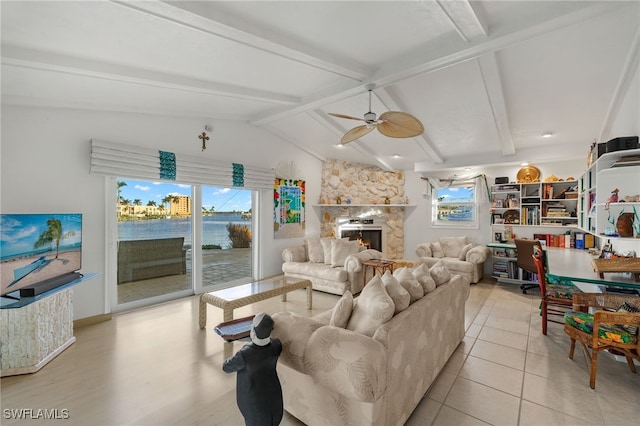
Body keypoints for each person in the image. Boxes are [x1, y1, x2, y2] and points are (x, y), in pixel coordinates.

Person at [222, 313, 283, 426]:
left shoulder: (244, 355)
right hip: (275, 401)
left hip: (254, 406)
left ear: (253, 331)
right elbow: (263, 347)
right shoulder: (277, 346)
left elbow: (226, 367)